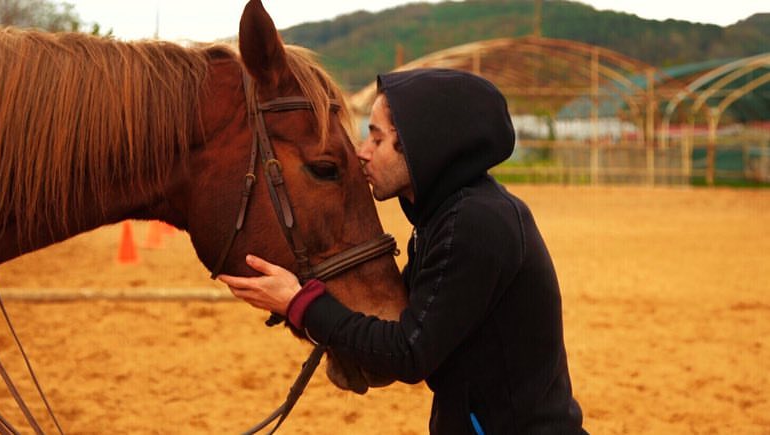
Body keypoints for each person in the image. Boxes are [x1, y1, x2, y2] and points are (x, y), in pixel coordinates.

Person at [219, 68, 586, 434]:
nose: (362, 153)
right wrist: (301, 308)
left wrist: (299, 304)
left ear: (419, 145)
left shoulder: (475, 222)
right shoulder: (445, 217)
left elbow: (408, 351)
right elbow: (395, 323)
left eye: (376, 140)